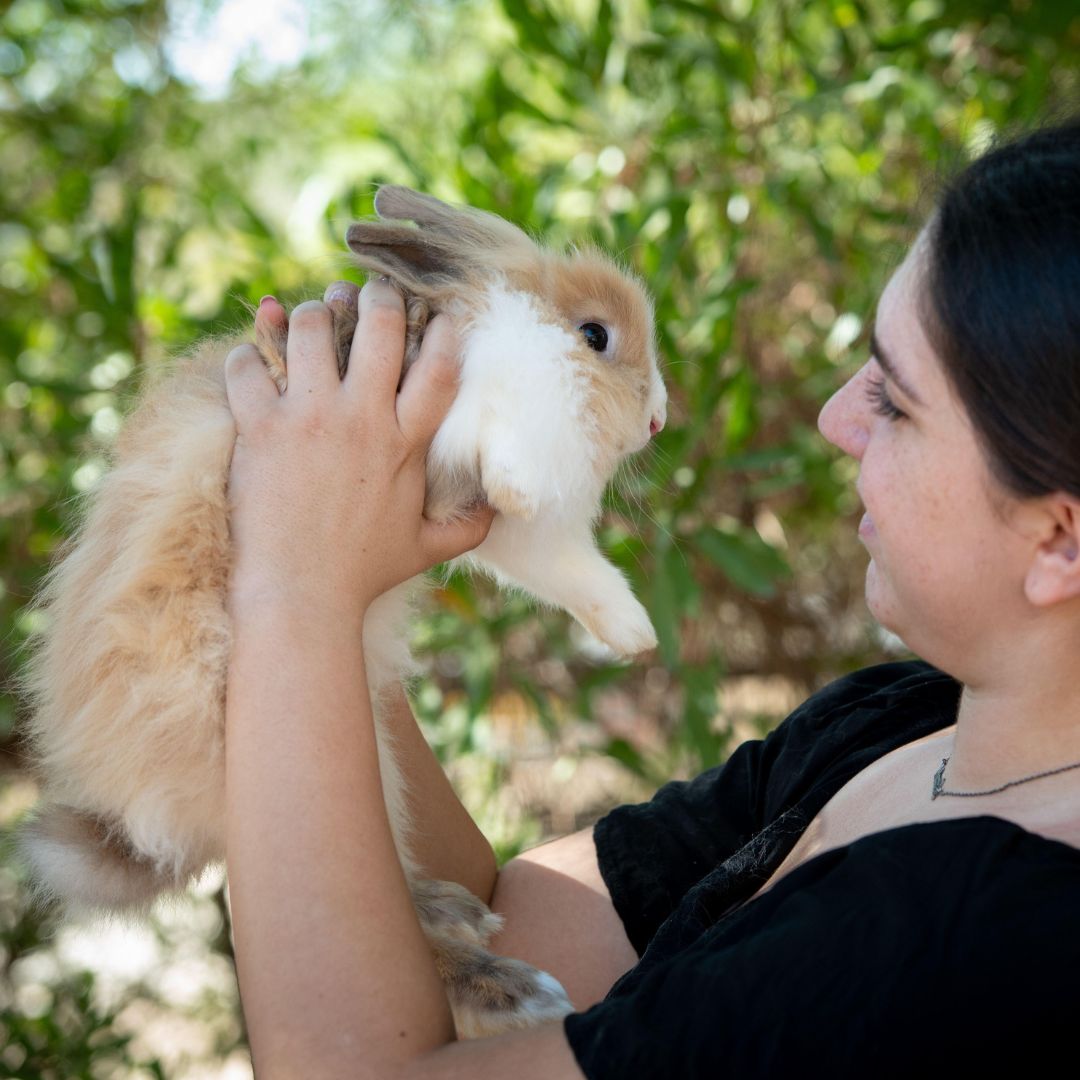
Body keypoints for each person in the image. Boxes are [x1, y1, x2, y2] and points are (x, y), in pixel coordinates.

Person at [221, 116, 1080, 1078]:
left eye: (896, 399)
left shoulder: (975, 942)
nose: (839, 419)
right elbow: (507, 916)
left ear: (1059, 537)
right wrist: (361, 555)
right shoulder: (895, 725)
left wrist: (292, 587)